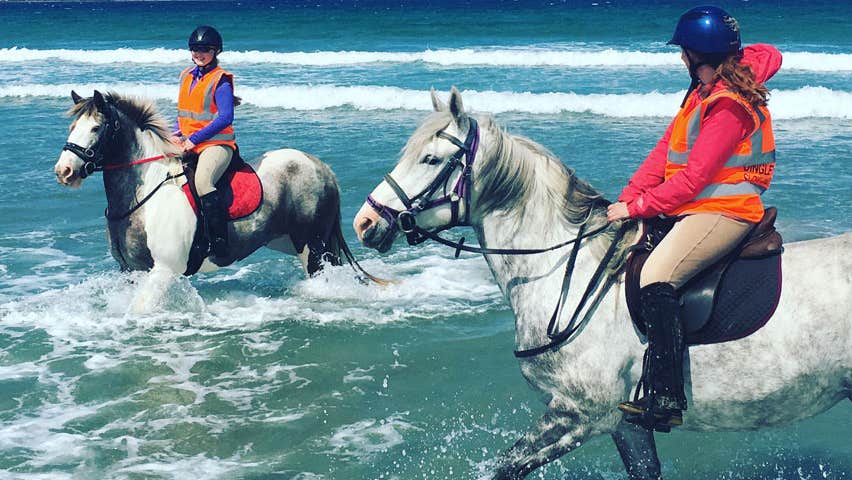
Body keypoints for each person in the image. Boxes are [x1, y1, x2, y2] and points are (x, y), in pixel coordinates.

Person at [606, 5, 782, 430]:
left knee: (656, 276)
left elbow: (694, 178)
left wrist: (637, 208)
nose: (681, 59)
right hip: (698, 207)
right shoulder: (702, 94)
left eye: (686, 52)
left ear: (702, 54)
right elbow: (664, 154)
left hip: (726, 211)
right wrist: (627, 198)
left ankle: (665, 396)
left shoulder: (727, 105)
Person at [172, 25, 237, 259]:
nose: (200, 54)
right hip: (189, 141)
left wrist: (194, 139)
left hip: (216, 145)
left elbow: (225, 117)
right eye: (195, 49)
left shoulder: (221, 80)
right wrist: (175, 133)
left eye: (205, 49)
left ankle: (218, 241)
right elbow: (187, 113)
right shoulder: (185, 75)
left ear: (216, 51)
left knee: (202, 182)